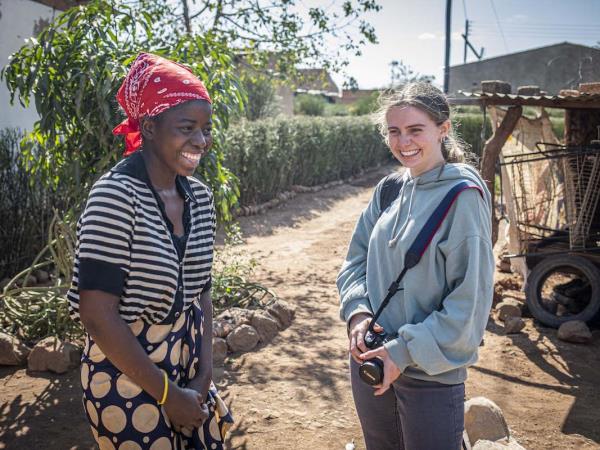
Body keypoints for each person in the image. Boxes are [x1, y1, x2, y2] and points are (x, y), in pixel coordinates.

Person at [67, 52, 233, 450]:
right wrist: (167, 394)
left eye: (205, 129)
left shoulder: (200, 198)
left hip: (189, 368)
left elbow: (202, 293)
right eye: (187, 127)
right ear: (150, 126)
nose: (200, 141)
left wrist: (204, 376)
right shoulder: (115, 197)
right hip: (125, 374)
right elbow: (97, 314)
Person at [337, 82, 494, 450]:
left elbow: (468, 304)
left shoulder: (463, 197)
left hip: (430, 374)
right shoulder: (389, 190)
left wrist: (403, 352)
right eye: (394, 131)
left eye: (415, 130)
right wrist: (358, 314)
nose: (403, 141)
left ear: (443, 129)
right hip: (371, 362)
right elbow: (354, 261)